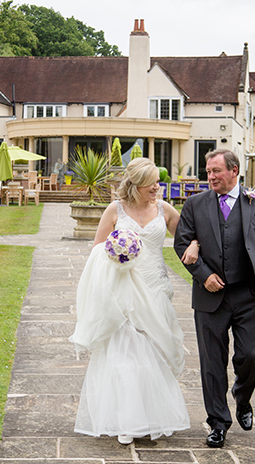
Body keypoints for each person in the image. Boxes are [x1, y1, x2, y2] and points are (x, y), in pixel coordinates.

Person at [70, 158, 199, 445]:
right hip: (123, 289)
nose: (157, 186)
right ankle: (127, 421)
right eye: (151, 182)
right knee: (125, 356)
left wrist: (194, 243)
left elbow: (188, 237)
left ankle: (152, 416)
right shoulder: (115, 210)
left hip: (154, 288)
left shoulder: (164, 210)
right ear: (136, 184)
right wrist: (116, 252)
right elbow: (96, 249)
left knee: (154, 352)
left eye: (156, 182)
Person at [174, 149, 255, 448]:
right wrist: (203, 274)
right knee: (212, 363)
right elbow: (182, 242)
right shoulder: (195, 204)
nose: (211, 176)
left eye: (216, 171)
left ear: (234, 171)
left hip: (250, 294)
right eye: (208, 171)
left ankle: (242, 399)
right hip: (210, 297)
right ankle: (218, 423)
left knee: (250, 355)